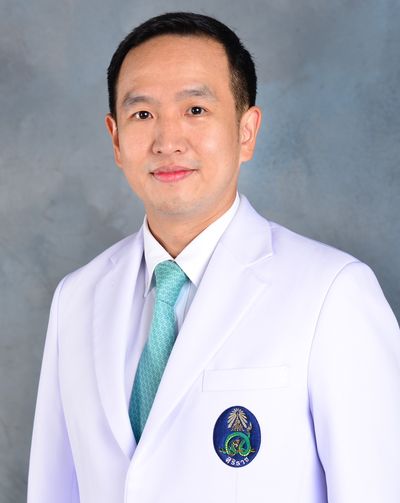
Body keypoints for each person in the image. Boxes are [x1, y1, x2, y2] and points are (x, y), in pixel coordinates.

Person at [27, 12, 400, 503]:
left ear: (246, 131)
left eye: (196, 109)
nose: (167, 141)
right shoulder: (75, 299)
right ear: (115, 138)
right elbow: (53, 489)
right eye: (143, 115)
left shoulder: (333, 293)